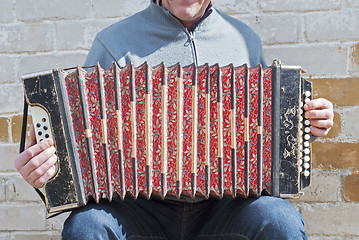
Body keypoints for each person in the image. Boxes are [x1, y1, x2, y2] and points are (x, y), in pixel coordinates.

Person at [15, 0, 334, 239]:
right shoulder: (113, 44)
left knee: (280, 220)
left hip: (221, 207)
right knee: (85, 227)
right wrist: (46, 171)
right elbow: (78, 141)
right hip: (140, 209)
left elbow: (266, 133)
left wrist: (307, 123)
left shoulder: (244, 41)